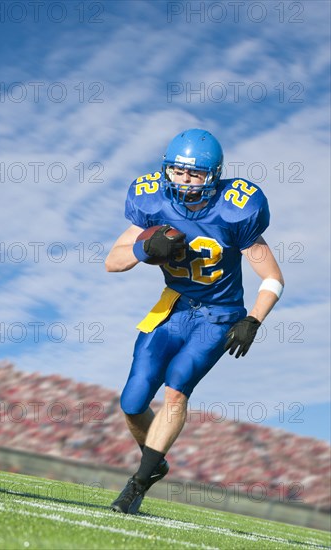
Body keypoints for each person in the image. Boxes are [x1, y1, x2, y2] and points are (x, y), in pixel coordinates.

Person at [105, 128, 284, 514]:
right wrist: (142, 248)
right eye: (178, 172)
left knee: (176, 389)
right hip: (174, 306)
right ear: (166, 169)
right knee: (133, 400)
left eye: (195, 174)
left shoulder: (237, 208)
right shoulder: (152, 200)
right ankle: (155, 461)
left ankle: (137, 483)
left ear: (213, 175)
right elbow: (112, 261)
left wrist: (253, 320)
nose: (184, 181)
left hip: (219, 318)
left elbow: (272, 277)